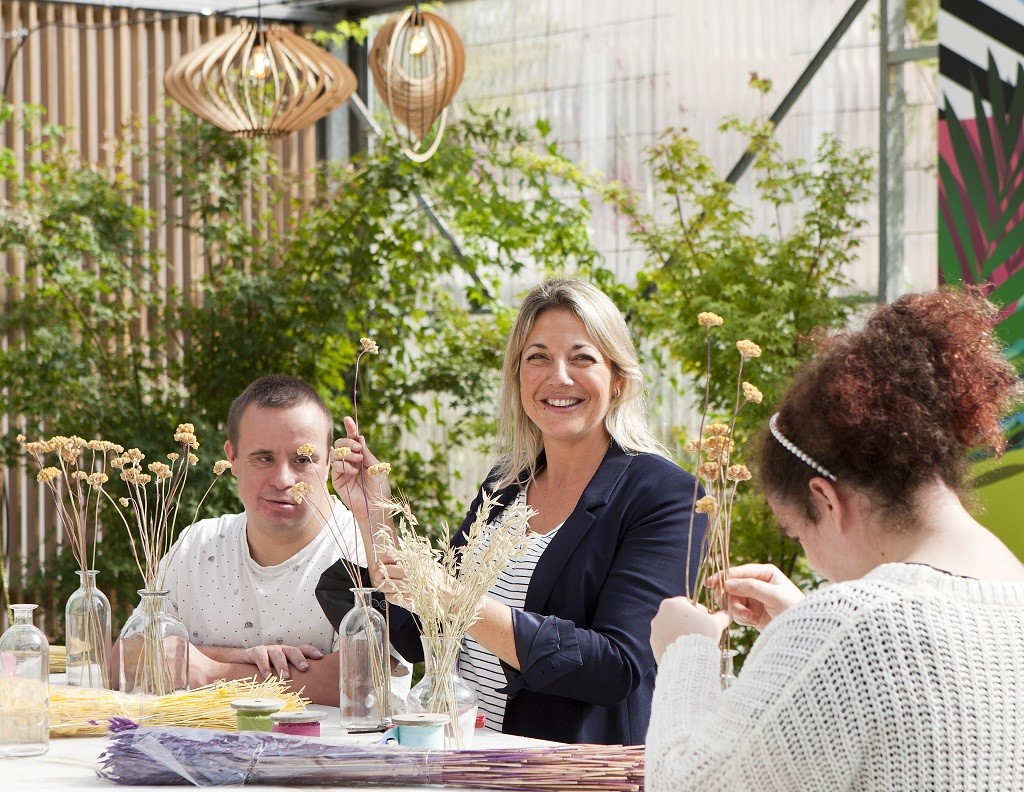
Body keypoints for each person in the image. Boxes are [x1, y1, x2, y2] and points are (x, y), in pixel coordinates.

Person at [646, 289, 1024, 790]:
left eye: (797, 533)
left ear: (825, 500)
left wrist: (685, 654)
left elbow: (687, 784)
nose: (811, 558)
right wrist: (801, 630)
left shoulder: (849, 627)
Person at [318, 278, 706, 745]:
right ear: (518, 376)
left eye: (582, 358)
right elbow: (421, 630)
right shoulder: (505, 485)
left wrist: (458, 600)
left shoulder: (665, 495)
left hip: (565, 770)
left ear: (617, 378)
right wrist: (373, 511)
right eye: (537, 357)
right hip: (467, 758)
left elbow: (615, 666)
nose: (558, 377)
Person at [156, 375, 406, 706]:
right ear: (232, 457)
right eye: (264, 458)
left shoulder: (369, 548)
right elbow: (129, 656)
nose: (283, 480)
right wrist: (246, 657)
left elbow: (367, 681)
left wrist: (208, 670)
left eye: (303, 459)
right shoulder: (196, 545)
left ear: (329, 461)